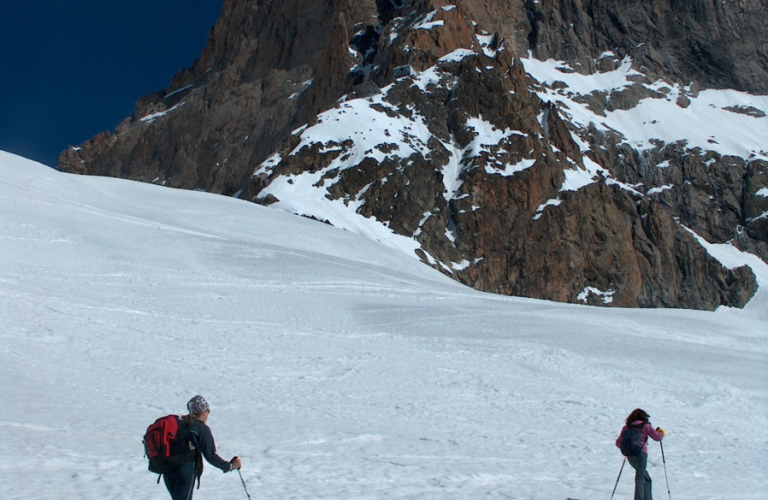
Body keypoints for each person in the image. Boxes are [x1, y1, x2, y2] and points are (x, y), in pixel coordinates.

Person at [164, 395, 242, 500]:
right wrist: (230, 466)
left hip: (167, 469)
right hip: (185, 470)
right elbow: (210, 456)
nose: (208, 415)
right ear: (202, 412)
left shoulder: (181, 424)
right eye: (208, 411)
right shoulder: (201, 428)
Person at [616, 408, 665, 500]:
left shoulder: (626, 427)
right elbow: (657, 437)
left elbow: (618, 443)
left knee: (645, 477)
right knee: (640, 476)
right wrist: (661, 433)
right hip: (641, 454)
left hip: (630, 455)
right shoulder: (645, 425)